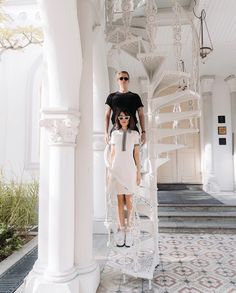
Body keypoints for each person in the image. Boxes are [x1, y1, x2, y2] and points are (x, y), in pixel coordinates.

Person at [109, 109, 141, 247]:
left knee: (129, 198)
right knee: (119, 198)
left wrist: (139, 171)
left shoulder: (134, 134)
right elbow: (112, 154)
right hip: (117, 169)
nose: (123, 119)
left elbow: (137, 155)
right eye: (121, 117)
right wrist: (109, 172)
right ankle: (121, 229)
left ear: (129, 119)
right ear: (117, 118)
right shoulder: (114, 134)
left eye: (126, 117)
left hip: (129, 168)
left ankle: (130, 229)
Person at [105, 71, 146, 144]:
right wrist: (105, 132)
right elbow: (107, 115)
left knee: (134, 154)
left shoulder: (135, 97)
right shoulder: (111, 97)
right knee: (115, 154)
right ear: (118, 80)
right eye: (121, 78)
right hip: (116, 129)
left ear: (128, 80)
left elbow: (141, 115)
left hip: (132, 129)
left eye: (125, 78)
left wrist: (143, 132)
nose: (123, 80)